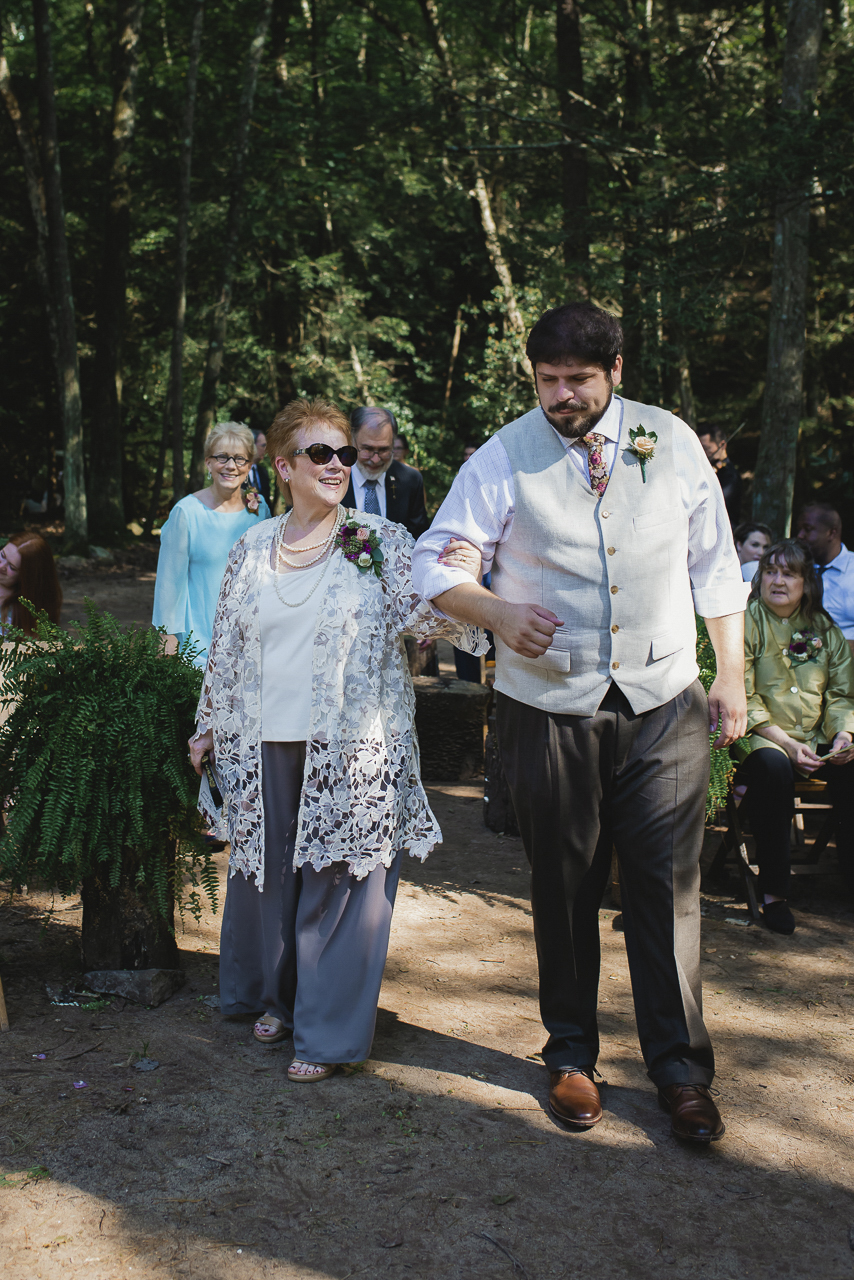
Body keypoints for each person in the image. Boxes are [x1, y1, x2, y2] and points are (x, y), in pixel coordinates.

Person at [412, 300, 748, 1145]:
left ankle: (681, 1072)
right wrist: (494, 611)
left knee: (667, 886)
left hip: (665, 701)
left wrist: (732, 674)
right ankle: (570, 1055)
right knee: (563, 886)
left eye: (579, 380)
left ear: (617, 371)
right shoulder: (502, 456)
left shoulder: (671, 442)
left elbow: (715, 566)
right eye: (547, 380)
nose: (561, 395)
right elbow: (434, 560)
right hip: (549, 709)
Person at [189, 397, 484, 1082]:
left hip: (352, 742)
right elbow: (227, 645)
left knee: (343, 882)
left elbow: (431, 615)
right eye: (320, 453)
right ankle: (280, 999)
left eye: (344, 454)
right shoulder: (252, 547)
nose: (337, 465)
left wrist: (467, 577)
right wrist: (209, 722)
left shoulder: (379, 540)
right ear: (283, 466)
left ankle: (326, 1033)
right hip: (263, 738)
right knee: (271, 879)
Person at [733, 539, 854, 933]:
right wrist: (785, 743)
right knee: (774, 769)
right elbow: (742, 694)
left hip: (815, 736)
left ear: (807, 582)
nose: (778, 581)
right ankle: (774, 894)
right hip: (761, 737)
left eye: (788, 573)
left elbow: (840, 694)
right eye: (770, 571)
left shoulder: (824, 628)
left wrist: (842, 736)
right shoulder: (745, 622)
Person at [152, 423, 271, 667]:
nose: (231, 466)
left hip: (249, 648)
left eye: (240, 459)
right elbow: (168, 584)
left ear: (249, 466)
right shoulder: (186, 513)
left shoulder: (259, 510)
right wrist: (167, 639)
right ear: (208, 463)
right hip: (198, 651)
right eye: (222, 457)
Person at [342, 407, 429, 539]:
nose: (375, 459)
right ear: (352, 441)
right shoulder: (334, 477)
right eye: (367, 449)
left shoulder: (411, 480)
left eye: (384, 450)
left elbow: (419, 538)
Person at [795, 503, 854, 649]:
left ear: (832, 533)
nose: (800, 535)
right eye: (800, 529)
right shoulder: (796, 569)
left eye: (807, 529)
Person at [0, 533, 62, 635]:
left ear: (27, 577)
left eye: (11, 567)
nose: (1, 566)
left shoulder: (26, 613)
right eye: (2, 555)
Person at [697, 425, 742, 527]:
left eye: (706, 448)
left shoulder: (730, 476)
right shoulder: (707, 469)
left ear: (722, 445)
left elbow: (715, 504)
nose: (703, 454)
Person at [248, 429, 272, 507]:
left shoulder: (263, 472)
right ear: (252, 446)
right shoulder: (238, 471)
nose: (265, 449)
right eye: (263, 445)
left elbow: (267, 503)